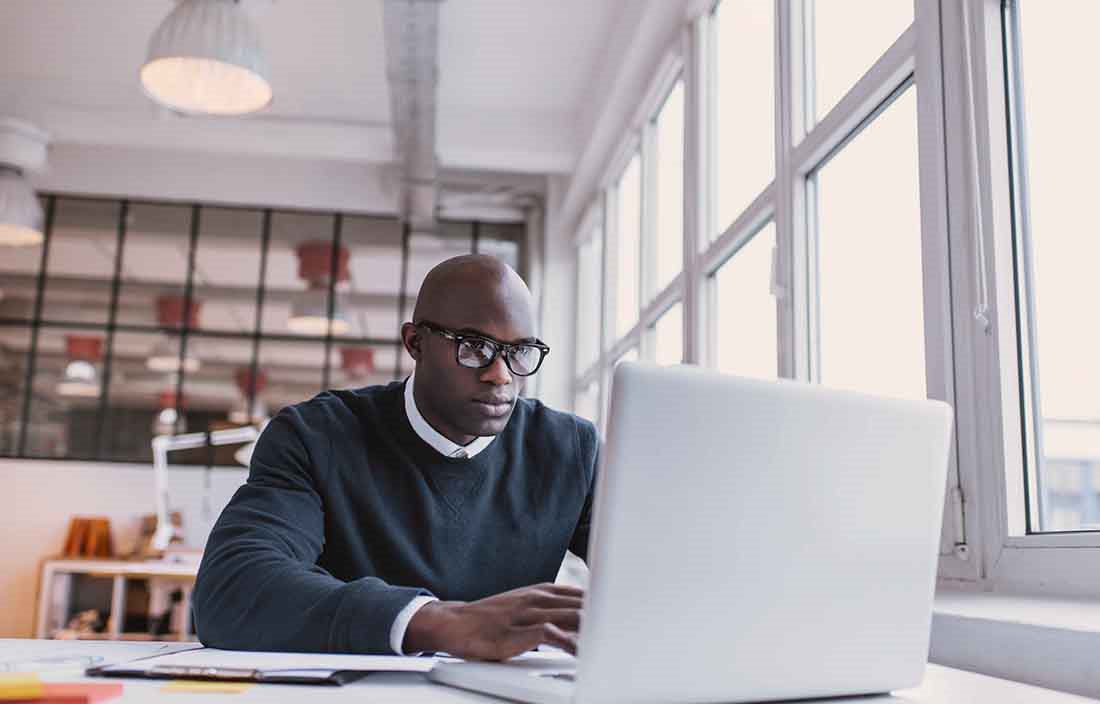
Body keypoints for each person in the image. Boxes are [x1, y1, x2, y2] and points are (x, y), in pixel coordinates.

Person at [192, 254, 599, 660]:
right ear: (415, 343)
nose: (502, 374)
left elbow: (653, 570)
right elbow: (231, 588)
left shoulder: (570, 449)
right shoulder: (317, 436)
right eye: (475, 347)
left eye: (521, 351)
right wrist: (438, 623)